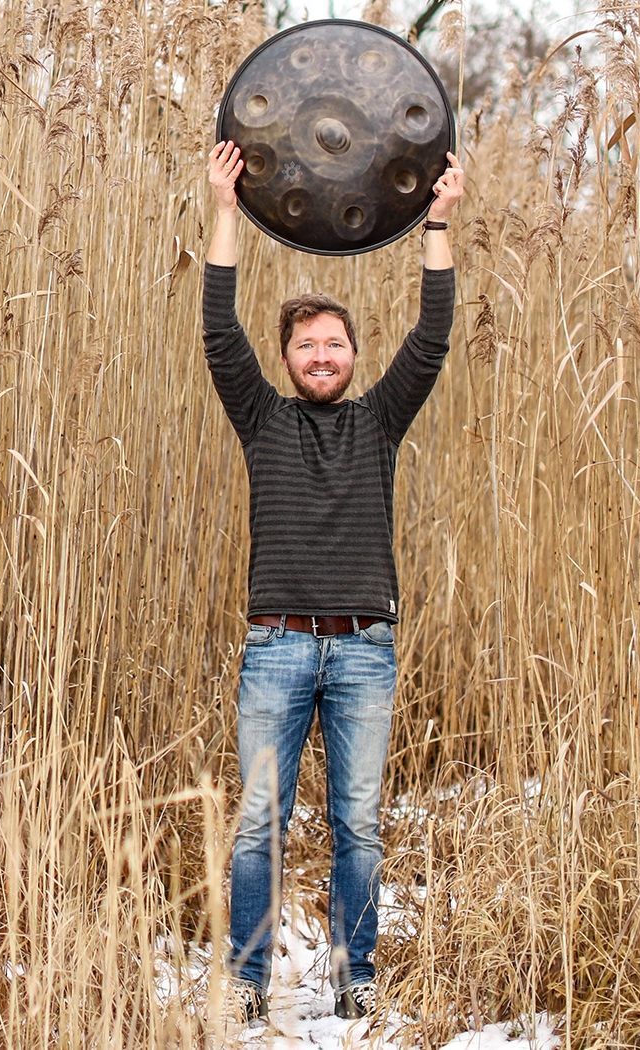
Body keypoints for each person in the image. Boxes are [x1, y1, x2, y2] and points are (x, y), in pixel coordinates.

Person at [202, 139, 464, 1029]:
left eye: (334, 344)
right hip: (275, 647)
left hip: (363, 649)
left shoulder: (380, 423)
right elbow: (217, 328)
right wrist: (226, 211)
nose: (321, 356)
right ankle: (246, 983)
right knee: (258, 830)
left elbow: (432, 338)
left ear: (354, 355)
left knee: (358, 825)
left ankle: (357, 981)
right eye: (306, 345)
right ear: (286, 360)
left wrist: (436, 226)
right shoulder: (261, 419)